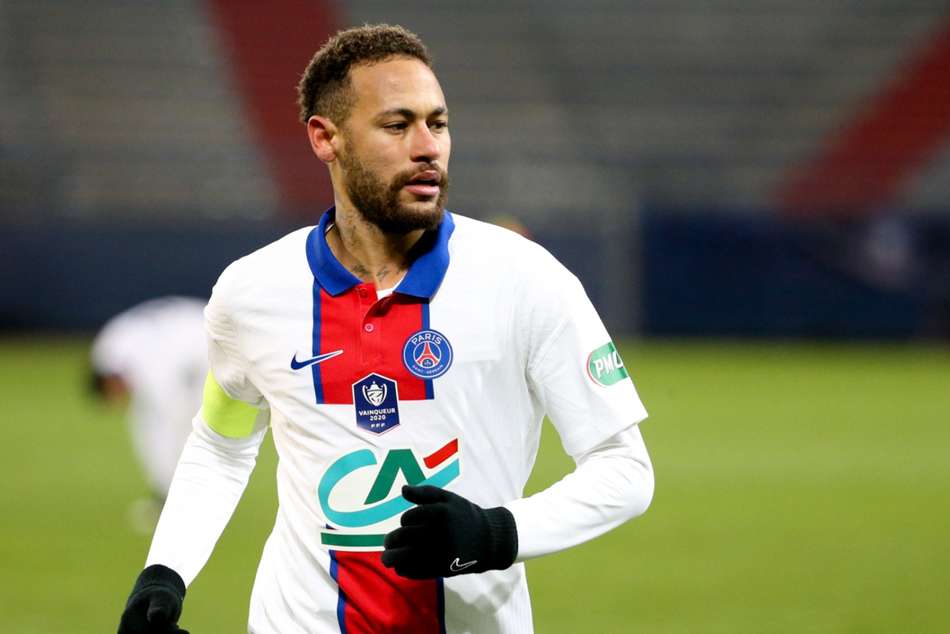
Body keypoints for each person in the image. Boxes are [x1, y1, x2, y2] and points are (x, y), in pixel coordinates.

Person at [117, 24, 654, 634]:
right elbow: (222, 444)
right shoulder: (251, 293)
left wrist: (496, 532)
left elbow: (625, 470)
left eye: (438, 124)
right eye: (397, 126)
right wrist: (165, 572)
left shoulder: (527, 280)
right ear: (325, 138)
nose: (427, 147)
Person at [89, 297, 207, 531]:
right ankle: (170, 494)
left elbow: (172, 410)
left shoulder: (149, 369)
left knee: (188, 426)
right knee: (152, 425)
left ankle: (189, 496)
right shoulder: (107, 351)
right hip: (187, 328)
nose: (118, 398)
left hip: (207, 341)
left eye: (113, 393)